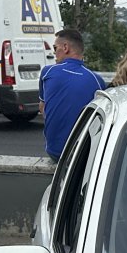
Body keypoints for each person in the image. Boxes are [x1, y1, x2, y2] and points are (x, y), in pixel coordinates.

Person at [39, 28, 105, 161]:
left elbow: (43, 108)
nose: (53, 52)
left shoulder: (48, 72)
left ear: (65, 47)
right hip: (84, 155)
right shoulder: (97, 80)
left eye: (55, 47)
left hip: (55, 152)